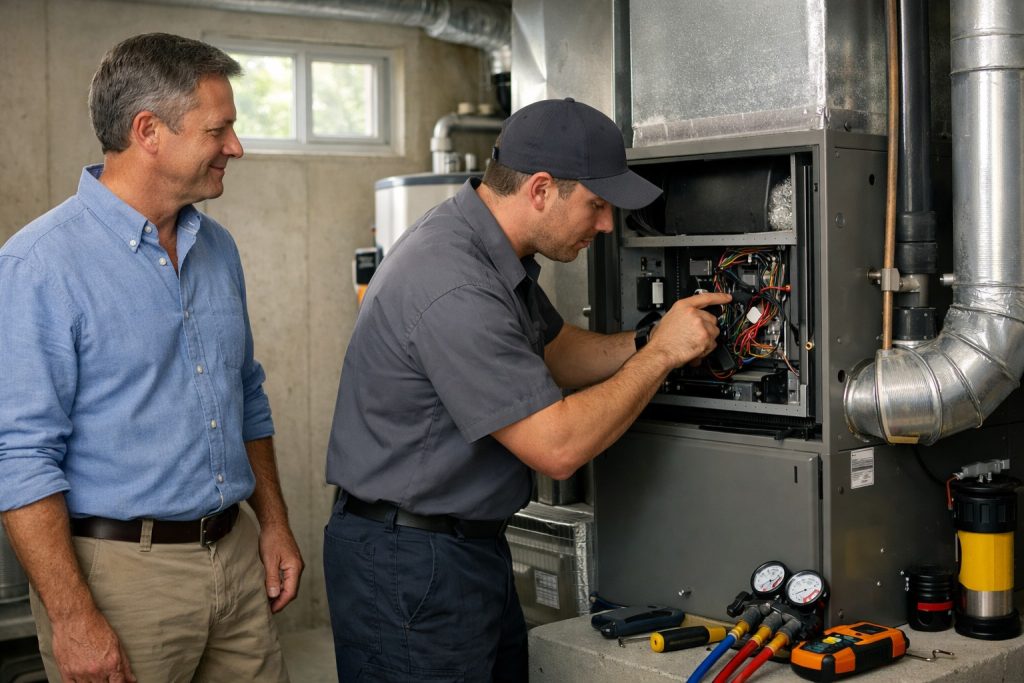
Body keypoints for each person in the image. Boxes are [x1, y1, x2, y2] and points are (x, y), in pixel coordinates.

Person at [323, 97, 730, 681]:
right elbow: (557, 447)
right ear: (540, 189)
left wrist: (650, 338)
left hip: (460, 549)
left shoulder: (485, 248)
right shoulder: (454, 281)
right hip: (408, 563)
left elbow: (556, 350)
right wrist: (663, 356)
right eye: (596, 204)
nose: (607, 224)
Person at [0, 33, 303, 682]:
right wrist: (73, 614)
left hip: (237, 557)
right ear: (149, 131)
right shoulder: (39, 265)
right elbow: (20, 454)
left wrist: (272, 522)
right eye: (218, 129)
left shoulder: (218, 248)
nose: (236, 147)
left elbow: (246, 392)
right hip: (120, 578)